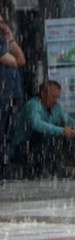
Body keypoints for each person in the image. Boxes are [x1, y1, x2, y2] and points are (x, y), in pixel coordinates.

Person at [9, 80, 75, 179]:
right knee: (44, 135)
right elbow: (36, 124)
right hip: (23, 146)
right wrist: (62, 131)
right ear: (43, 94)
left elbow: (67, 119)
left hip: (43, 146)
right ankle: (38, 171)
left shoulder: (56, 107)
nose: (56, 100)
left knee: (68, 136)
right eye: (53, 96)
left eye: (57, 97)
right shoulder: (33, 105)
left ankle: (59, 168)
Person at [0, 12, 25, 180]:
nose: (1, 25)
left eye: (2, 22)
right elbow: (17, 61)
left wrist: (10, 38)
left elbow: (22, 58)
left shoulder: (4, 42)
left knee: (9, 132)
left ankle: (5, 164)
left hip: (12, 94)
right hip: (2, 95)